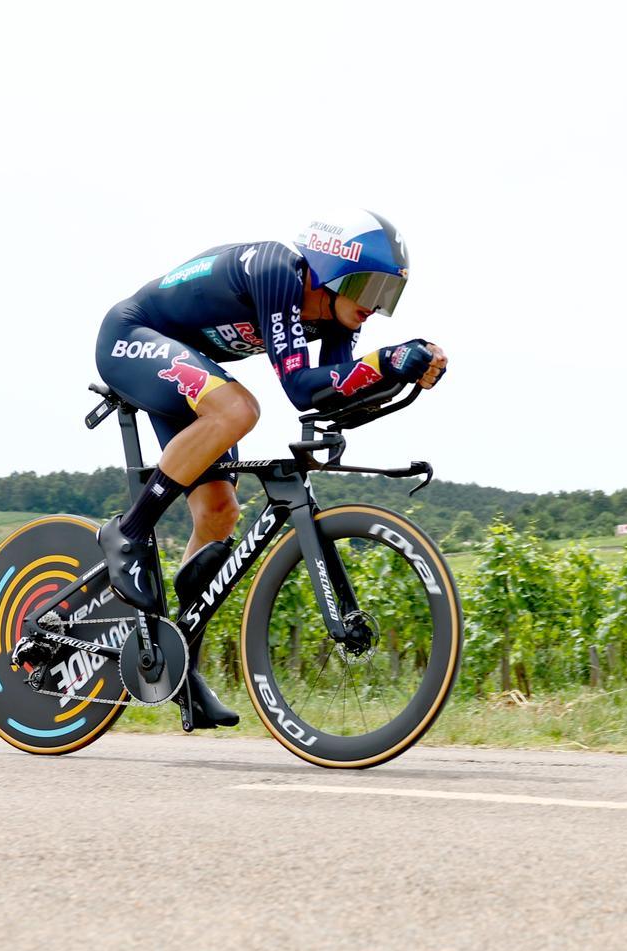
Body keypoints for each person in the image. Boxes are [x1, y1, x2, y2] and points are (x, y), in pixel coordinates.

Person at [92, 209, 447, 726]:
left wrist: (400, 375)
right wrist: (388, 360)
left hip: (183, 364)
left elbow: (328, 394)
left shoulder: (330, 316)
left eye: (385, 296)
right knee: (239, 410)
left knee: (219, 511)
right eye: (368, 288)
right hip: (131, 337)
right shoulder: (280, 272)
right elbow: (301, 386)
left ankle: (176, 662)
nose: (374, 306)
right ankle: (128, 531)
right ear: (332, 269)